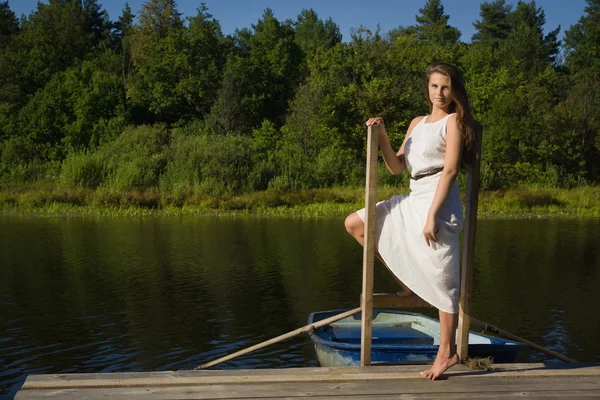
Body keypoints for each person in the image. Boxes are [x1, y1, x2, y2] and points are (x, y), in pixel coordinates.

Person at [344, 62, 479, 380]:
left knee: (443, 277)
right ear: (428, 89)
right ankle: (406, 283)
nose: (439, 93)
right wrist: (382, 135)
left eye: (445, 87)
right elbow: (395, 166)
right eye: (434, 86)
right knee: (357, 224)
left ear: (453, 90)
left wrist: (432, 215)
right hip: (414, 194)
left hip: (439, 199)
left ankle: (447, 352)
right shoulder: (417, 123)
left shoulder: (453, 123)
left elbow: (449, 170)